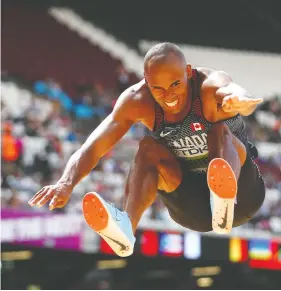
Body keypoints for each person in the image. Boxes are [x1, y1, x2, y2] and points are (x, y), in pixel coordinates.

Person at [28, 42, 265, 257]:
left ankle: (221, 198)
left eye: (175, 84)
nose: (169, 96)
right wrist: (66, 183)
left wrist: (241, 100)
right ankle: (126, 226)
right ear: (146, 80)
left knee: (218, 129)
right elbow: (94, 146)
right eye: (158, 89)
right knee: (148, 148)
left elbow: (230, 89)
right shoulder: (137, 100)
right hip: (191, 206)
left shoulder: (208, 84)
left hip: (243, 195)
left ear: (188, 72)